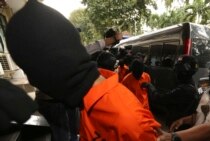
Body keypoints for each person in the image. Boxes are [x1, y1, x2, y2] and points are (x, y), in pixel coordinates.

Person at [5, 1, 160, 140]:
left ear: (51, 67)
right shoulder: (88, 103)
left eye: (31, 72)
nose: (33, 82)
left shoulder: (128, 121)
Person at [143, 56, 200, 129]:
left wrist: (149, 86)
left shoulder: (183, 90)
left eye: (176, 70)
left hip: (178, 128)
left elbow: (158, 98)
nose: (175, 73)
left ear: (182, 72)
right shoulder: (191, 84)